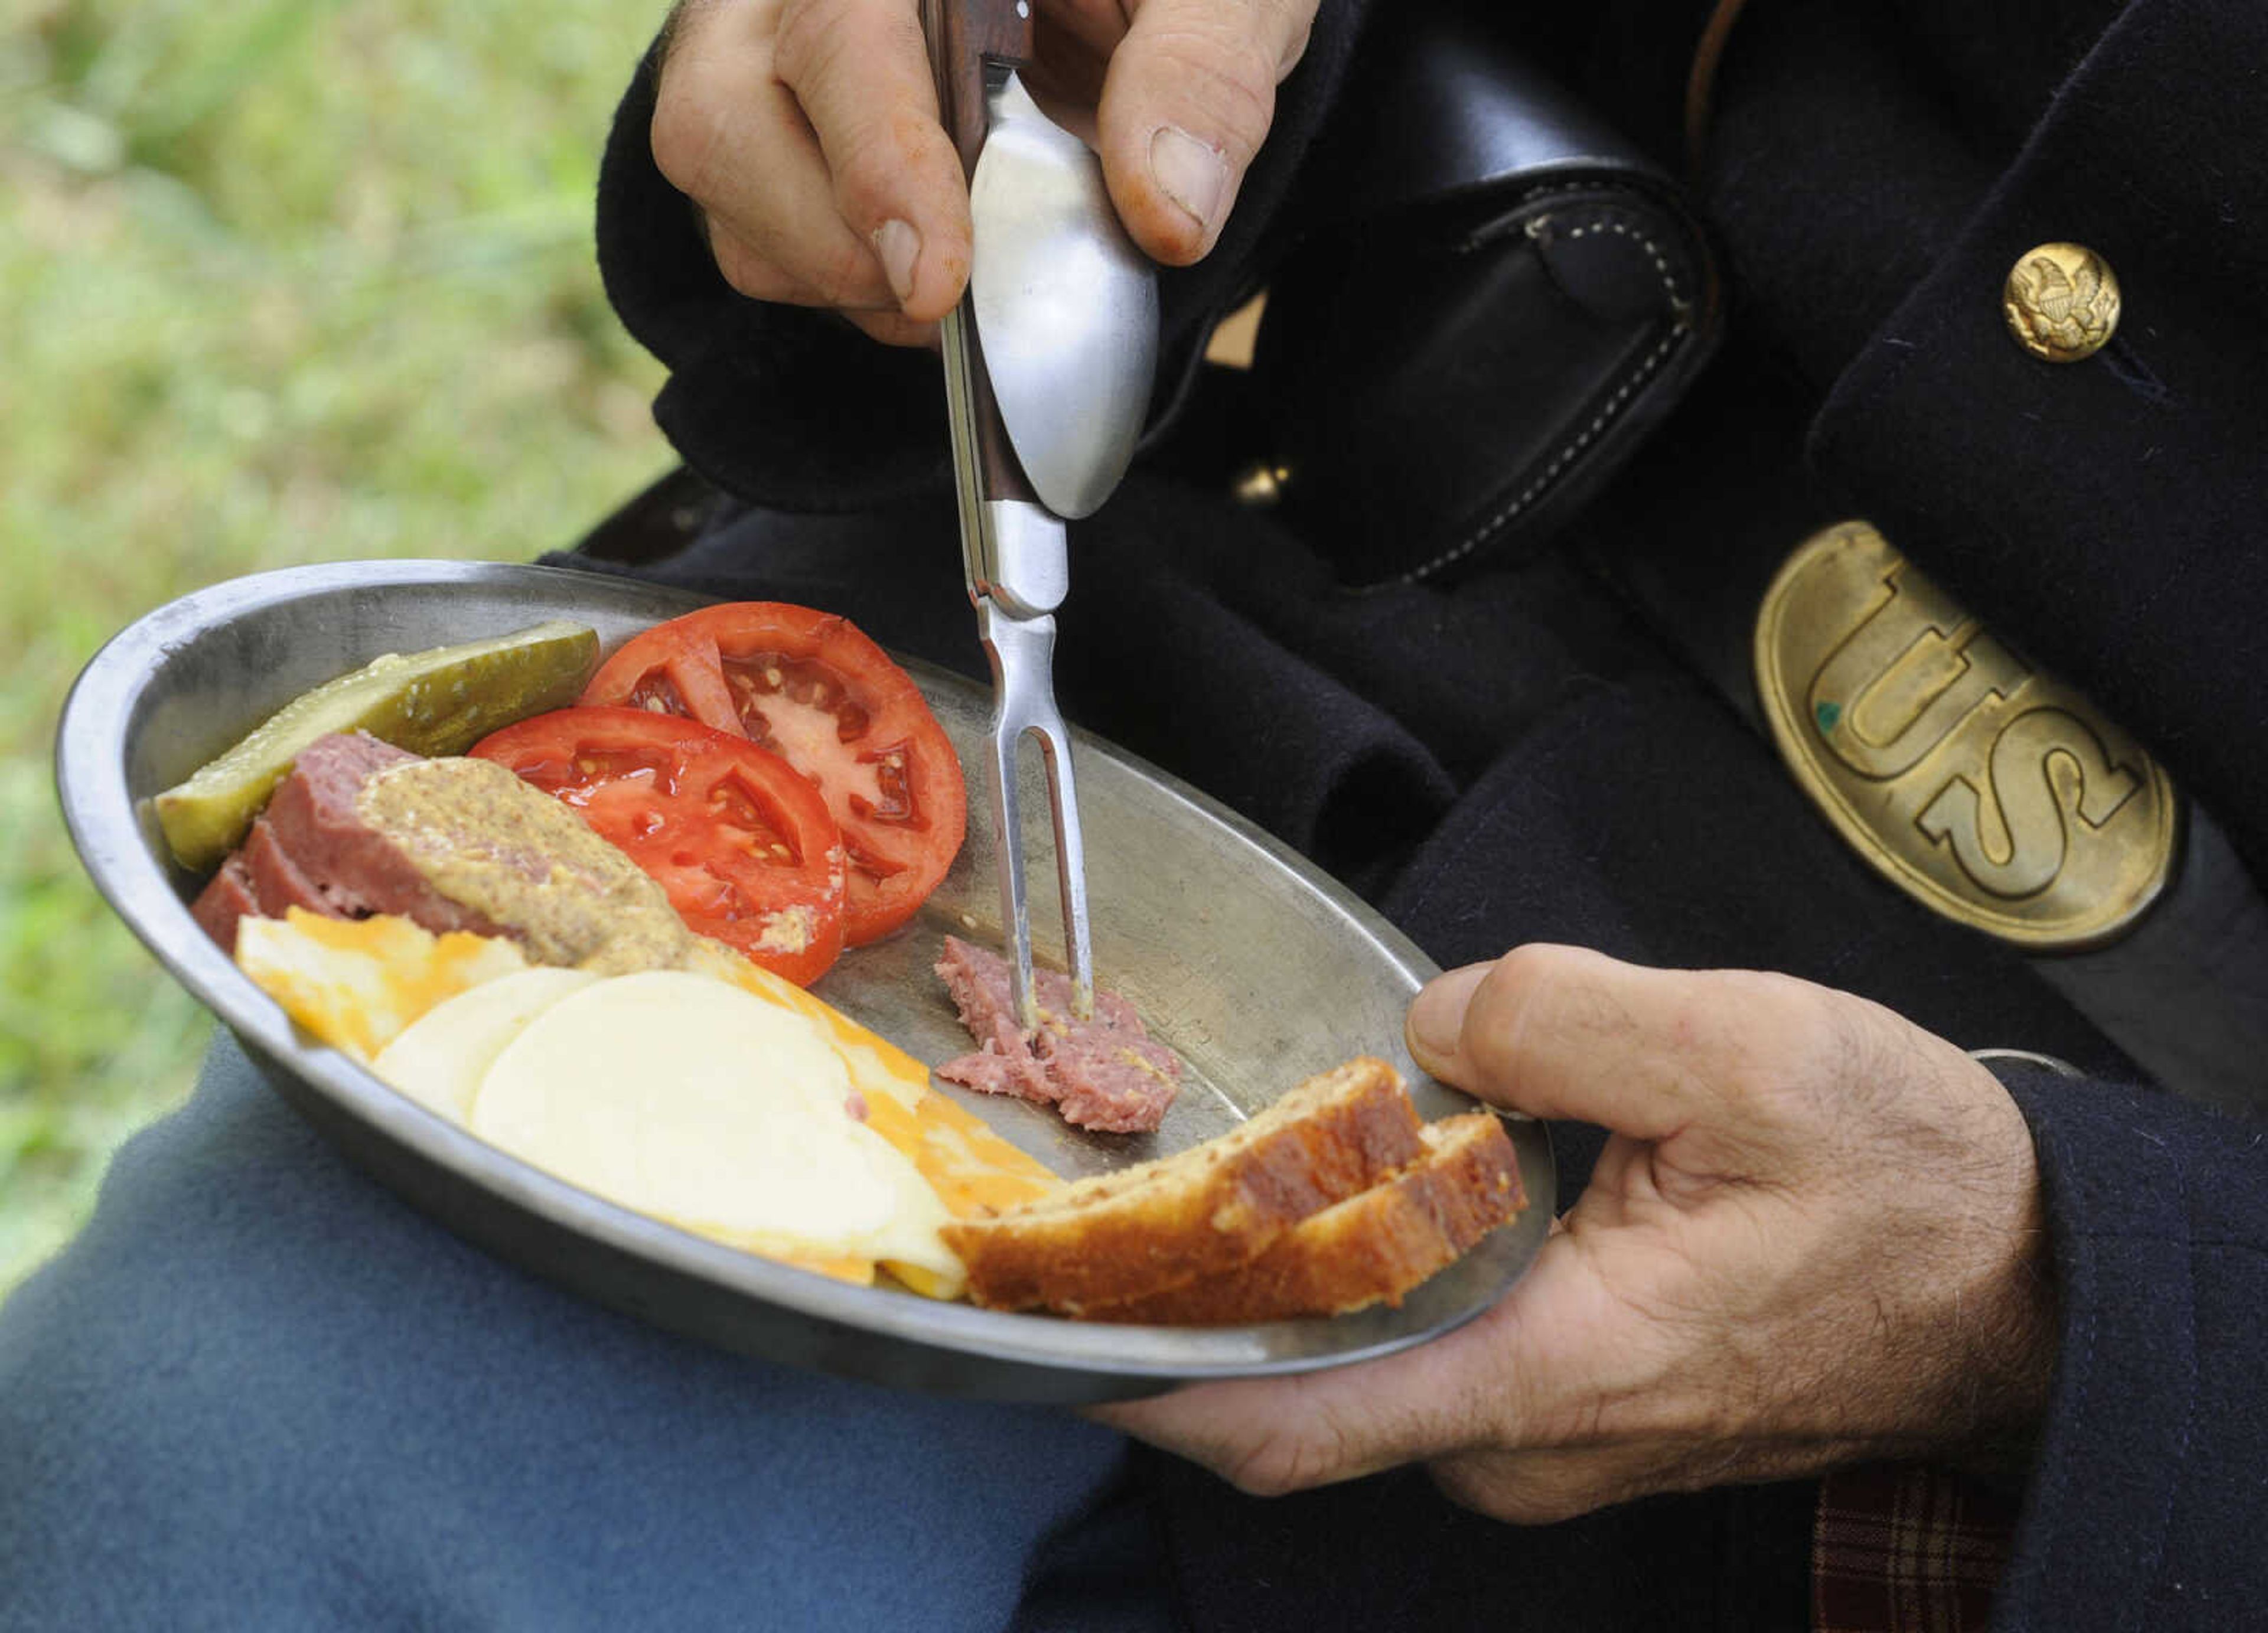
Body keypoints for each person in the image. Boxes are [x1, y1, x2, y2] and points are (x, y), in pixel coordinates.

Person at [5, 0, 2265, 1628]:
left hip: (1967, 1393)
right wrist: (1055, 70)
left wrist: (2090, 1291)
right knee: (240, 1441)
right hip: (1280, 609)